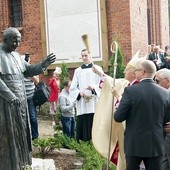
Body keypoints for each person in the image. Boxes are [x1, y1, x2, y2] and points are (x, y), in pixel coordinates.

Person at [0, 27, 56, 169]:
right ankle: (9, 164)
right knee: (9, 135)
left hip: (21, 101)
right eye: (14, 41)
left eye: (19, 41)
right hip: (6, 103)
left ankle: (22, 162)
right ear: (5, 39)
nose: (17, 44)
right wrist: (10, 96)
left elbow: (28, 70)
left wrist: (43, 65)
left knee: (22, 131)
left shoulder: (16, 56)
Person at [92, 51, 145, 170]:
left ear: (133, 73)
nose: (124, 72)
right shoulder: (127, 83)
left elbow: (132, 109)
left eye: (126, 70)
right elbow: (111, 83)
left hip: (134, 132)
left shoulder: (136, 87)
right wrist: (100, 73)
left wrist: (117, 97)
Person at [114, 60, 170, 170]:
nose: (134, 73)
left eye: (136, 70)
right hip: (156, 143)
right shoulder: (165, 93)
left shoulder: (130, 91)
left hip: (134, 143)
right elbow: (167, 122)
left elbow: (118, 117)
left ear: (143, 72)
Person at [69, 49, 102, 142]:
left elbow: (102, 83)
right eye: (82, 56)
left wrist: (94, 88)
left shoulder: (97, 69)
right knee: (83, 122)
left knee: (94, 120)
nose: (84, 58)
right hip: (83, 102)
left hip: (94, 100)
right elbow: (72, 87)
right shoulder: (78, 71)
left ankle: (96, 142)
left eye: (86, 55)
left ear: (90, 56)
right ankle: (83, 143)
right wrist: (79, 93)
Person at [155, 68, 170, 169]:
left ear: (168, 80)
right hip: (163, 133)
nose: (155, 84)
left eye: (157, 81)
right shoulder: (161, 93)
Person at [24, 53, 40, 140]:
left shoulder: (32, 69)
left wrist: (30, 74)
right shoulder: (19, 70)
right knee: (24, 118)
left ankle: (35, 135)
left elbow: (37, 81)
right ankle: (26, 135)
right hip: (22, 98)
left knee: (33, 117)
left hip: (30, 97)